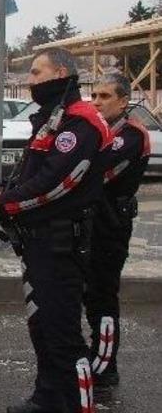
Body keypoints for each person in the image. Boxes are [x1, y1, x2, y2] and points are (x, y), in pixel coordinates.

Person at [0, 48, 111, 413]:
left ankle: (76, 405)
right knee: (43, 330)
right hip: (38, 244)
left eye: (37, 73)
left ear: (60, 72)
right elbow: (32, 171)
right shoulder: (54, 118)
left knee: (64, 337)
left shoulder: (81, 123)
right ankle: (48, 398)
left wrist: (4, 203)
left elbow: (55, 184)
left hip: (61, 246)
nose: (30, 80)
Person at [85, 73, 150, 390]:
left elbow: (94, 168)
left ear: (124, 101)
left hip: (111, 225)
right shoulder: (107, 130)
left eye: (104, 96)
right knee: (89, 293)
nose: (96, 102)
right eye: (94, 96)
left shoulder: (131, 134)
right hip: (94, 222)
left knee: (102, 296)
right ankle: (96, 352)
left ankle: (105, 365)